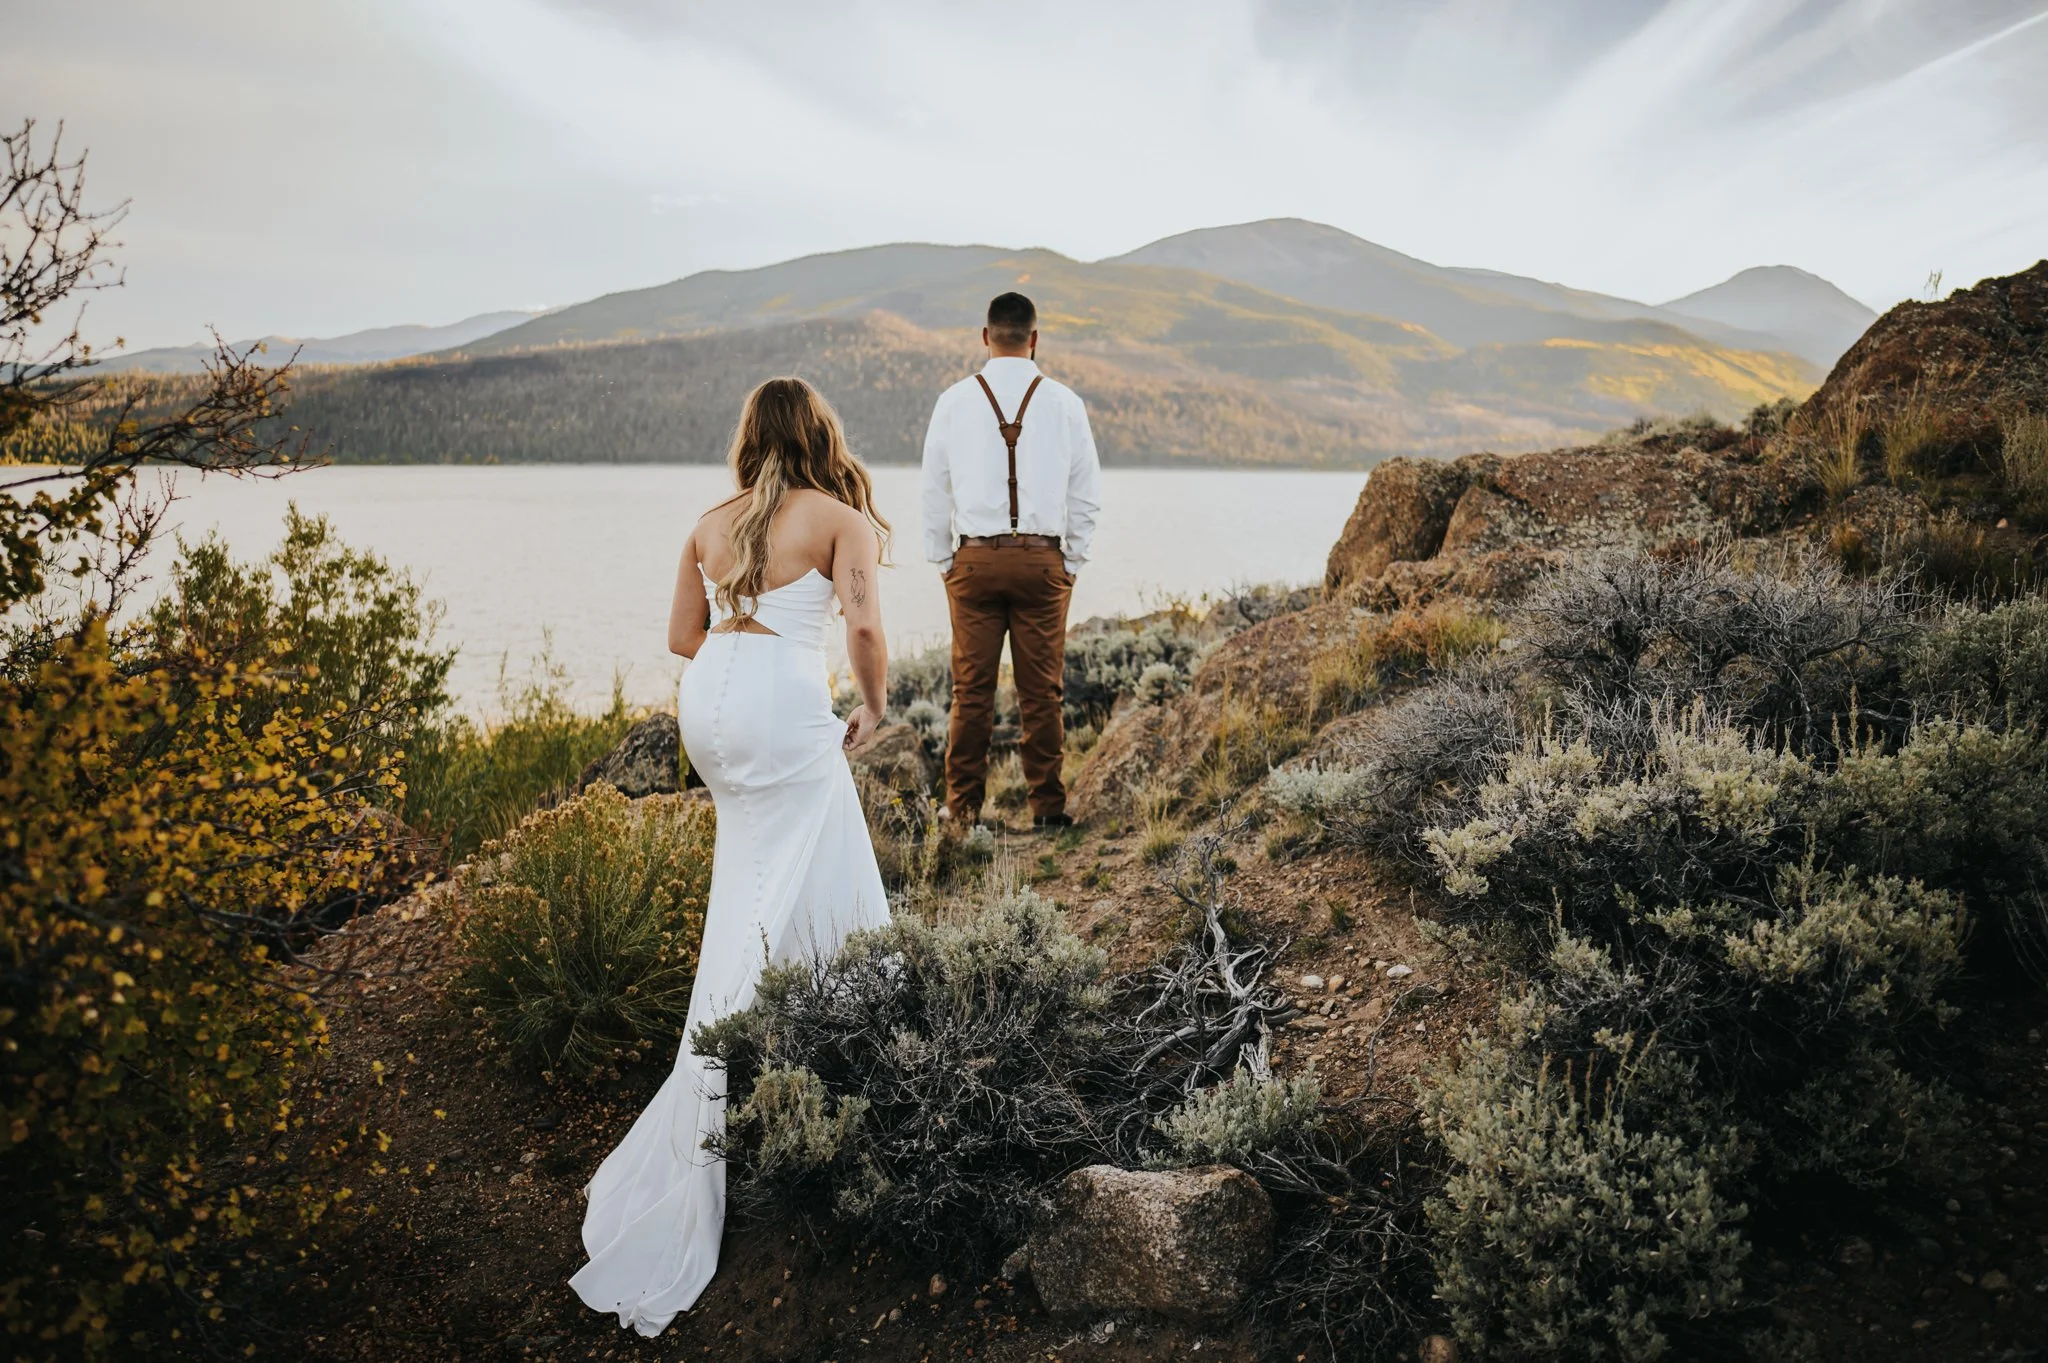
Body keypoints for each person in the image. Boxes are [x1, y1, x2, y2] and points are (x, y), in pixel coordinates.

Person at [571, 376, 892, 1337]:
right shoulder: (842, 518)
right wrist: (873, 707)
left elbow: (681, 635)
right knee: (816, 846)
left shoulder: (710, 521)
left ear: (750, 438)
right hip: (784, 705)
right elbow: (867, 627)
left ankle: (752, 1033)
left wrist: (737, 644)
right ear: (820, 435)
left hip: (710, 705)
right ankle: (839, 1040)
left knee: (760, 866)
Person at [920, 291, 1102, 828]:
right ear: (1035, 338)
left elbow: (934, 490)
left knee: (970, 691)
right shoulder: (1065, 402)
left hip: (972, 563)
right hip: (1043, 564)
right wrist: (1073, 560)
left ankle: (962, 812)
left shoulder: (953, 400)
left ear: (985, 337)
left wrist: (942, 560)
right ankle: (1047, 809)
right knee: (1042, 690)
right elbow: (1086, 492)